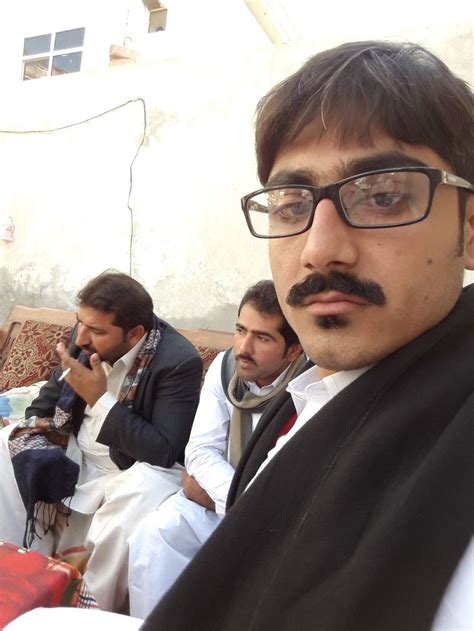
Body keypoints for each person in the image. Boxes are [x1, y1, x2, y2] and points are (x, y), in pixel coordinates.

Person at [141, 41, 474, 630]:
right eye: (291, 205)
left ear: (469, 230)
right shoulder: (315, 387)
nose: (320, 250)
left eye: (382, 195)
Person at [0, 271, 203, 613]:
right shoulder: (85, 335)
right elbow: (48, 398)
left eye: (96, 330)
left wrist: (100, 399)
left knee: (145, 489)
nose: (81, 337)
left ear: (135, 333)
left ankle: (85, 610)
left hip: (129, 468)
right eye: (81, 323)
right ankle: (16, 574)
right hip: (77, 451)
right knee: (8, 441)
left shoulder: (178, 361)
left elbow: (164, 450)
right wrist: (36, 431)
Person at [128, 280, 303, 617]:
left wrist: (230, 499)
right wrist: (235, 499)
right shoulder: (226, 369)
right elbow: (200, 451)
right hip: (224, 501)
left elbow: (285, 477)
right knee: (155, 536)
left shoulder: (308, 386)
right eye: (240, 330)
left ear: (293, 350)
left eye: (263, 338)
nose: (244, 347)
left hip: (275, 519)